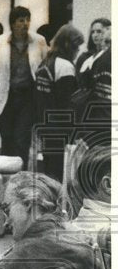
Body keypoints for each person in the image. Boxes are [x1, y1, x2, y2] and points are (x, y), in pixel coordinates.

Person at [0, 6, 49, 168]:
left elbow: (46, 69)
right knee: (6, 137)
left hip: (28, 97)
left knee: (22, 138)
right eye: (21, 20)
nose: (25, 24)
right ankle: (6, 174)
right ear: (13, 23)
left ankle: (20, 174)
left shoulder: (39, 41)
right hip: (6, 96)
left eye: (28, 20)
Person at [33, 24, 84, 182]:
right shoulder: (66, 67)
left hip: (45, 124)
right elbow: (67, 102)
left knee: (48, 171)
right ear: (69, 45)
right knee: (59, 174)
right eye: (77, 47)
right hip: (60, 128)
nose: (78, 51)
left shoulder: (46, 62)